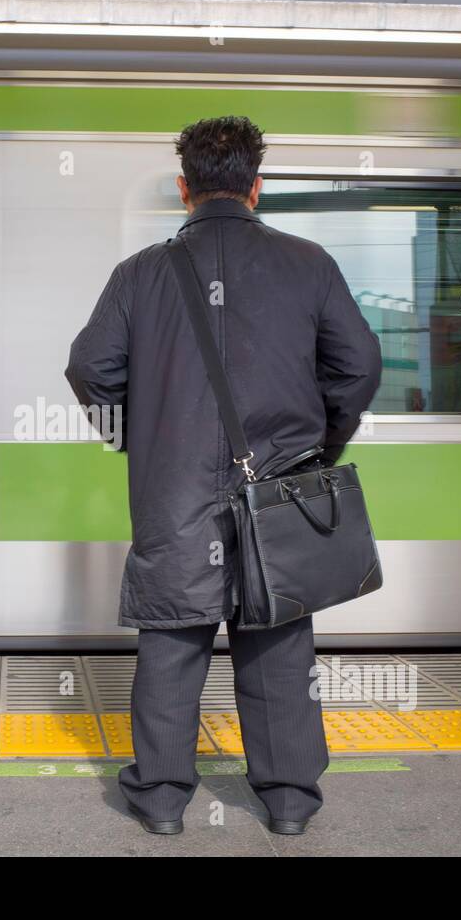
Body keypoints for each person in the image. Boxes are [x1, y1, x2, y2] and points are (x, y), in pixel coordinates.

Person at [65, 116, 381, 836]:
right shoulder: (308, 263)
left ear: (184, 189)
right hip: (278, 489)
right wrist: (320, 448)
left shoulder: (141, 273)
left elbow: (90, 368)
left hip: (171, 491)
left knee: (171, 639)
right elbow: (359, 365)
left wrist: (132, 438)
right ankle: (289, 801)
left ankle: (162, 798)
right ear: (256, 187)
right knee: (277, 638)